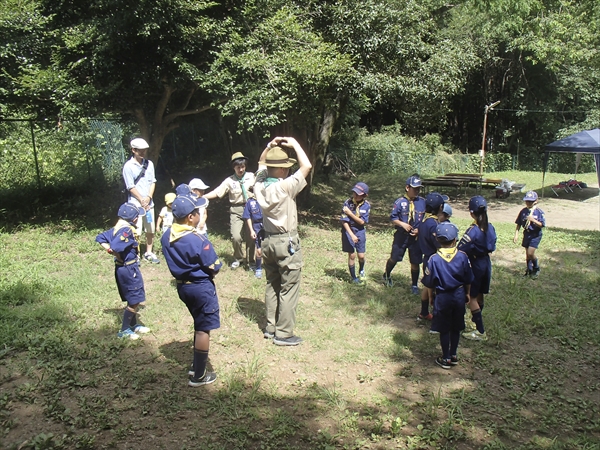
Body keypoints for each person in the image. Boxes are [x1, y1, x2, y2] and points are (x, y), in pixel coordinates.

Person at [254, 137, 312, 346]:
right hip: (286, 241)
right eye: (286, 167)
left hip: (267, 241)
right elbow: (307, 166)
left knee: (272, 284)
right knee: (289, 287)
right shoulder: (285, 187)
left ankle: (270, 328)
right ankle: (284, 333)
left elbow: (261, 165)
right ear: (280, 170)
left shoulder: (258, 185)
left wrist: (268, 146)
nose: (288, 170)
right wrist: (295, 143)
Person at [161, 194, 223, 387]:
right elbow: (214, 265)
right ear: (190, 217)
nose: (199, 215)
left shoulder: (166, 236)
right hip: (201, 287)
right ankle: (199, 375)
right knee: (203, 329)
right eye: (197, 212)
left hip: (183, 287)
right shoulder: (197, 239)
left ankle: (196, 365)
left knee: (198, 321)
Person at [96, 202, 151, 340]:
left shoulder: (117, 228)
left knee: (132, 296)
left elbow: (100, 238)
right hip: (128, 268)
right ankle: (124, 329)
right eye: (137, 216)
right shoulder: (126, 231)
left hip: (124, 268)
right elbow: (116, 247)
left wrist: (108, 249)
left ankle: (133, 325)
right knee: (135, 299)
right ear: (134, 218)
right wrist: (113, 252)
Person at [422, 222, 474, 369]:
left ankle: (445, 358)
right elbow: (468, 278)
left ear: (437, 240)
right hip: (458, 294)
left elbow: (429, 283)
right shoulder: (463, 256)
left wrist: (431, 297)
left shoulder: (434, 259)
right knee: (456, 327)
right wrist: (467, 293)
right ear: (455, 239)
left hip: (442, 296)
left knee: (444, 328)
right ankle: (454, 354)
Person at [204, 153, 255, 269]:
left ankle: (251, 262)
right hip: (236, 209)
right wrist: (203, 197)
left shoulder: (252, 177)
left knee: (251, 237)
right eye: (238, 167)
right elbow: (217, 192)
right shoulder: (229, 181)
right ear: (233, 167)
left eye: (243, 166)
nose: (241, 169)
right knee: (236, 236)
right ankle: (238, 258)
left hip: (251, 209)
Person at [457, 196, 497, 341]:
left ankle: (480, 331)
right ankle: (476, 320)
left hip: (475, 265)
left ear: (471, 213)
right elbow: (492, 246)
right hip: (486, 263)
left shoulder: (473, 230)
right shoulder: (490, 227)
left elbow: (461, 248)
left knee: (472, 297)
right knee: (480, 293)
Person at [382, 176, 426, 294]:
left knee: (415, 261)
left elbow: (425, 219)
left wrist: (419, 230)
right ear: (407, 188)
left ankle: (414, 285)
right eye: (414, 188)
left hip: (415, 237)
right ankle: (386, 275)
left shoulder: (422, 202)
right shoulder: (400, 202)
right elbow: (393, 218)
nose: (417, 191)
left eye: (419, 189)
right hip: (401, 235)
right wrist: (402, 224)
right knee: (394, 257)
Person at [122, 138, 160, 264]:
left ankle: (149, 252)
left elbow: (153, 182)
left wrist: (148, 197)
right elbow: (130, 186)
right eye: (140, 150)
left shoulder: (149, 164)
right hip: (135, 203)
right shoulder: (128, 166)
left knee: (150, 229)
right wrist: (141, 199)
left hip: (149, 203)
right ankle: (135, 254)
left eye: (144, 150)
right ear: (133, 150)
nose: (143, 153)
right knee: (136, 231)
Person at [417, 192, 445, 321]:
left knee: (427, 286)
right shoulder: (433, 224)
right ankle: (437, 317)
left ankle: (423, 312)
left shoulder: (424, 220)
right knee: (435, 290)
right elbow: (439, 244)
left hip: (426, 258)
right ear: (440, 207)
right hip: (434, 260)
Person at [340, 182, 371, 285]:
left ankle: (361, 270)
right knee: (352, 255)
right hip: (349, 230)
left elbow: (362, 222)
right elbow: (344, 221)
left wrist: (350, 213)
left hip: (360, 230)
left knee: (361, 255)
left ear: (365, 195)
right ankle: (353, 277)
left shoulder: (366, 206)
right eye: (354, 193)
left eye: (358, 194)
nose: (355, 195)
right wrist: (351, 235)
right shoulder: (347, 203)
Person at [514, 191, 545, 279]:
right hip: (527, 234)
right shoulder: (523, 211)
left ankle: (536, 267)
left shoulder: (538, 212)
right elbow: (518, 223)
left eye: (530, 201)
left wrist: (533, 220)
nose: (528, 203)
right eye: (527, 201)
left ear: (536, 201)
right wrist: (516, 234)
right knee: (527, 254)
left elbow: (542, 225)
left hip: (535, 234)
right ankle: (529, 270)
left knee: (531, 253)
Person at [242, 194, 265, 279]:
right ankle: (258, 268)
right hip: (256, 226)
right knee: (259, 249)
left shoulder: (267, 198)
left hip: (267, 226)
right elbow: (247, 217)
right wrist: (251, 230)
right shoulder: (250, 202)